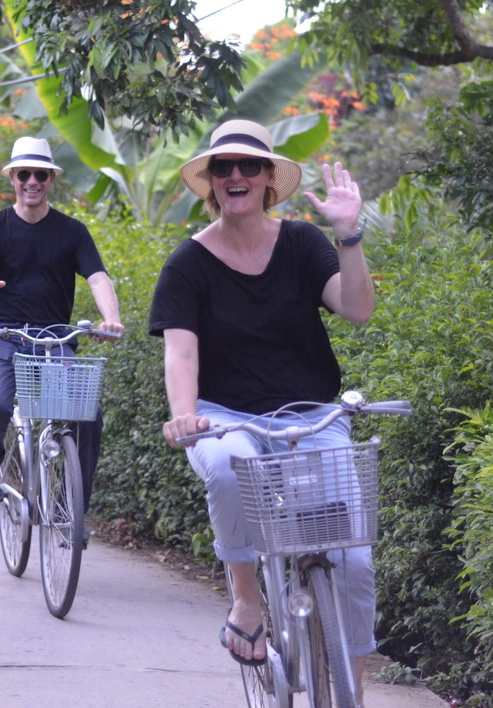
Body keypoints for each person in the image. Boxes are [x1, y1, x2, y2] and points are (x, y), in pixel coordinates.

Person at [148, 119, 376, 705]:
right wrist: (184, 414)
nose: (236, 175)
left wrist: (348, 235)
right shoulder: (187, 265)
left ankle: (353, 690)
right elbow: (181, 352)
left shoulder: (302, 244)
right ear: (211, 183)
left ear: (270, 178)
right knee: (228, 467)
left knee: (350, 559)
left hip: (309, 416)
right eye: (223, 167)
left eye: (249, 165)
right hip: (225, 417)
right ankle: (246, 597)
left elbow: (356, 310)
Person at [0, 137, 124, 534]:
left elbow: (98, 276)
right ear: (13, 178)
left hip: (55, 340)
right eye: (24, 174)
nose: (32, 181)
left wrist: (110, 318)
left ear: (51, 180)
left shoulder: (72, 232)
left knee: (87, 416)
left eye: (40, 174)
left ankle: (70, 506)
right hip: (2, 335)